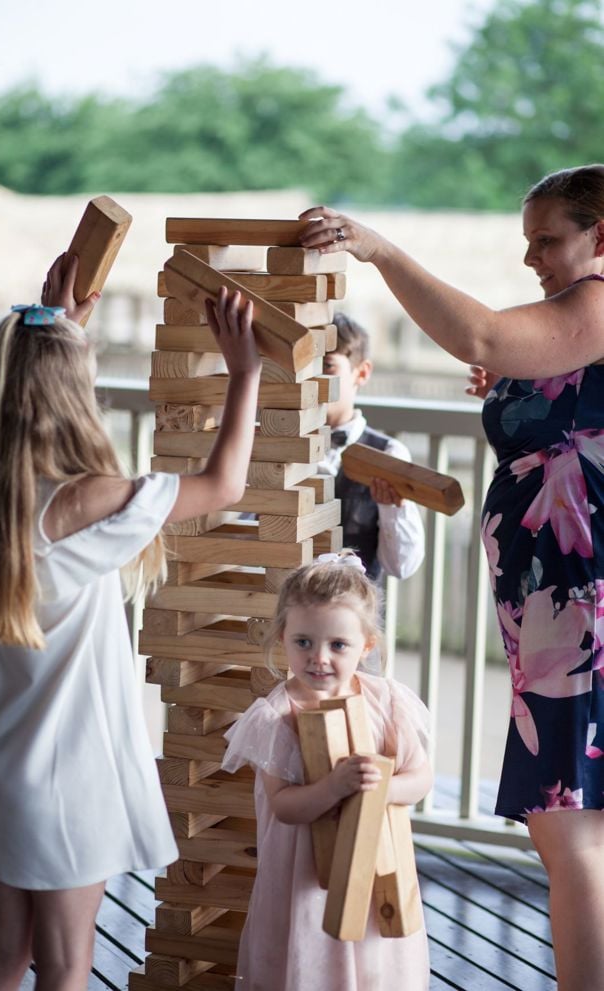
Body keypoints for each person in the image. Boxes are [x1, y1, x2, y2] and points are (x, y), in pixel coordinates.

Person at [298, 163, 604, 991]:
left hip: (586, 615)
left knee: (569, 827)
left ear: (601, 238)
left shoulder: (601, 300)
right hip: (559, 615)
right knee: (575, 825)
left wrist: (378, 250)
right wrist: (519, 382)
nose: (532, 257)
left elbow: (481, 335)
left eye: (548, 239)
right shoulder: (578, 320)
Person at [0, 253, 262, 991]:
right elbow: (225, 483)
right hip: (68, 778)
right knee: (65, 965)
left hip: (3, 764)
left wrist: (57, 329)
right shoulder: (93, 499)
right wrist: (244, 372)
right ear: (72, 396)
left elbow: (38, 364)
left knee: (4, 952)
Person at [221, 552, 432, 991]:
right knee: (308, 968)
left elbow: (420, 779)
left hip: (375, 875)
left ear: (366, 646)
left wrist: (383, 788)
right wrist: (335, 787)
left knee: (373, 967)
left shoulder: (387, 702)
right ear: (282, 637)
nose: (319, 658)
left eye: (338, 645)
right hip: (302, 884)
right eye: (303, 642)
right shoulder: (275, 718)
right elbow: (284, 807)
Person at [320, 312, 425, 581]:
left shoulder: (388, 454)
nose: (314, 379)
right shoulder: (280, 447)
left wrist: (393, 507)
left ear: (362, 372)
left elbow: (402, 565)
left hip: (353, 612)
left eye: (327, 367)